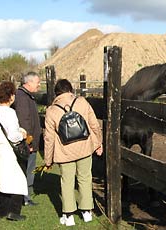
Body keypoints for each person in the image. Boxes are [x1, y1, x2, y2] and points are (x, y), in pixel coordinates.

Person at [44, 79, 103, 226]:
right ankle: (87, 212)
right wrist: (98, 144)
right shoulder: (82, 102)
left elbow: (49, 138)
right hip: (84, 148)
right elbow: (94, 125)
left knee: (67, 182)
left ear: (56, 93)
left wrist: (48, 160)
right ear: (71, 89)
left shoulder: (51, 110)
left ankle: (68, 215)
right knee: (85, 178)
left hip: (64, 152)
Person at [0, 81, 28, 221]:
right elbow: (13, 135)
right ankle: (14, 211)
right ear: (10, 96)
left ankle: (1, 210)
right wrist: (22, 134)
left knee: (2, 180)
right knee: (18, 179)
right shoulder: (10, 113)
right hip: (7, 149)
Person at [11, 72, 42, 206]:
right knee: (27, 169)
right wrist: (28, 142)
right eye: (37, 82)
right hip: (27, 142)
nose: (39, 85)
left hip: (29, 140)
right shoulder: (23, 97)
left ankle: (24, 196)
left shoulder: (25, 96)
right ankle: (25, 198)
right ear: (29, 83)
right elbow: (25, 121)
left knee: (27, 168)